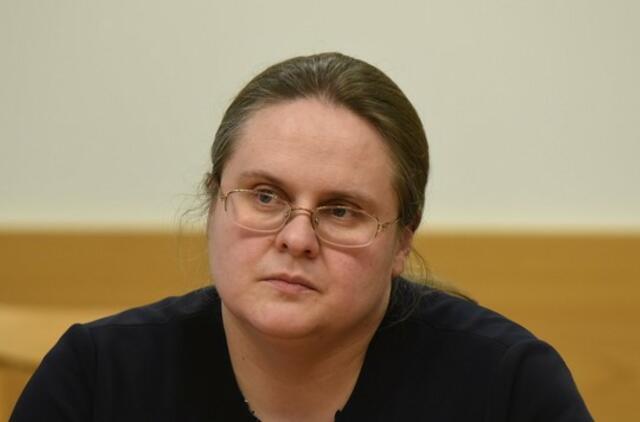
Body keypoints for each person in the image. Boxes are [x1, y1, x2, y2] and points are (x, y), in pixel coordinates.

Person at [11, 52, 592, 421]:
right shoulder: (95, 378)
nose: (296, 238)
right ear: (213, 202)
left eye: (341, 211)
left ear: (401, 242)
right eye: (265, 196)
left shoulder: (509, 386)